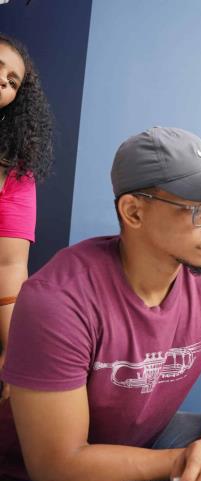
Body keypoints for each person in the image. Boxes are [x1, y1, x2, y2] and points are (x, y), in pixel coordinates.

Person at [0, 127, 201, 481]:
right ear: (133, 211)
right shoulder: (56, 300)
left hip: (147, 438)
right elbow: (56, 462)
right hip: (32, 474)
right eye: (200, 210)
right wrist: (185, 462)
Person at [0, 34, 53, 401]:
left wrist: (11, 353)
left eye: (13, 81)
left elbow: (9, 267)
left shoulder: (16, 174)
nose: (4, 81)